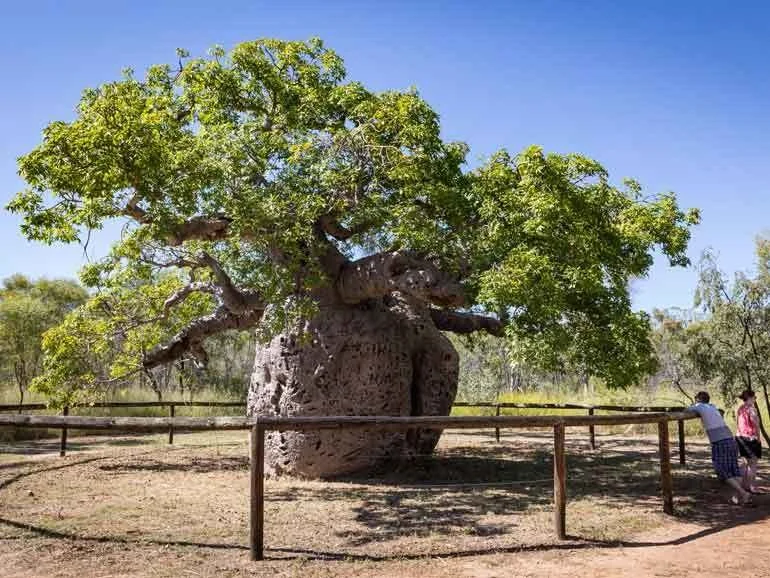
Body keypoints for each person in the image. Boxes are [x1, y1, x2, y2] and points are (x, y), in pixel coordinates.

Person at [688, 391, 753, 506]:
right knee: (734, 469)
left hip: (719, 442)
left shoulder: (699, 406)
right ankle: (736, 498)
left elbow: (686, 410)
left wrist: (694, 406)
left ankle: (743, 494)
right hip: (730, 439)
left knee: (721, 470)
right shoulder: (712, 406)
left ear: (698, 399)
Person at [735, 389, 762, 494]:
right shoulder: (751, 409)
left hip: (740, 437)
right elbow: (756, 425)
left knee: (745, 463)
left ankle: (744, 486)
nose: (755, 399)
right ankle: (752, 487)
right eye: (754, 397)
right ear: (750, 398)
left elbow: (738, 423)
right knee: (752, 464)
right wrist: (759, 438)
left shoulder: (740, 408)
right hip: (750, 438)